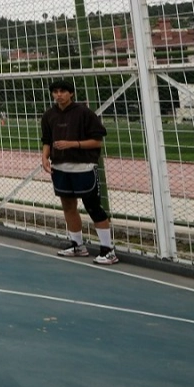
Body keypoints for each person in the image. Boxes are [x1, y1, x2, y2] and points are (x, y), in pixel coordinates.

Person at [41, 78, 118, 265]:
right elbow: (47, 140)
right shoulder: (49, 115)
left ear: (71, 93)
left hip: (83, 167)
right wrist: (44, 157)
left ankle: (108, 249)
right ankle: (77, 244)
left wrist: (72, 144)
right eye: (56, 91)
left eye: (63, 91)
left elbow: (97, 141)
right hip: (60, 168)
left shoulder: (84, 113)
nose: (59, 95)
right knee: (68, 206)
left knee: (93, 206)